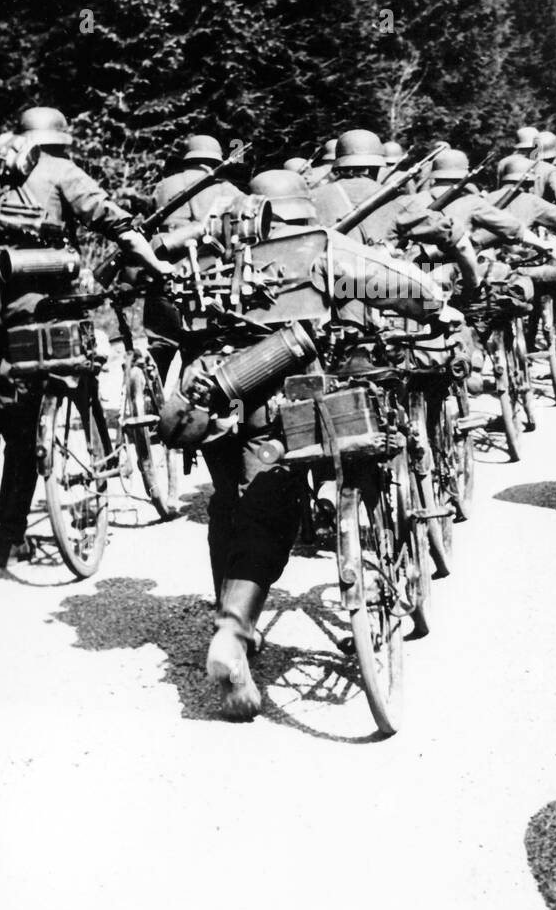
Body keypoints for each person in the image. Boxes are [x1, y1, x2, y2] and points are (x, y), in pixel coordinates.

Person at [161, 166, 452, 721]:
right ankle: (233, 631)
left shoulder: (216, 254)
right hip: (279, 390)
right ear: (305, 207)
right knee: (272, 505)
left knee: (228, 500)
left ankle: (231, 614)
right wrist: (439, 305)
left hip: (212, 390)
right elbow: (408, 288)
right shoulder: (320, 249)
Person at [0, 106, 167, 563]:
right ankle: (10, 533)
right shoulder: (59, 170)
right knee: (23, 412)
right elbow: (116, 224)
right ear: (59, 139)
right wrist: (155, 263)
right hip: (27, 295)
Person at [143, 135, 238, 385]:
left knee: (160, 346)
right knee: (200, 349)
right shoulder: (227, 190)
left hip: (161, 274)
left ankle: (146, 406)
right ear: (215, 160)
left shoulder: (163, 187)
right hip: (207, 282)